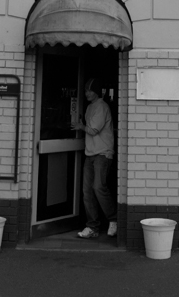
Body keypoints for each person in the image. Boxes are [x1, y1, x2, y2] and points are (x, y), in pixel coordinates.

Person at [72, 77, 117, 238]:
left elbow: (93, 130)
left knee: (98, 187)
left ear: (96, 92)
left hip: (102, 154)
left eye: (90, 90)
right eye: (85, 90)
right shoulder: (91, 107)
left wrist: (80, 126)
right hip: (90, 153)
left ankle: (113, 220)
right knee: (87, 192)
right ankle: (92, 227)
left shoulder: (102, 107)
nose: (87, 93)